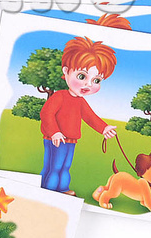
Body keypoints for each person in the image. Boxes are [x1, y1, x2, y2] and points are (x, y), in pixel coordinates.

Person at [39, 36, 118, 194]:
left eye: (96, 80)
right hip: (56, 139)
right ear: (66, 71)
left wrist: (104, 128)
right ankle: (48, 192)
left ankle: (62, 189)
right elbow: (46, 113)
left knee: (65, 166)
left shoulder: (80, 101)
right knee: (54, 166)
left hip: (71, 140)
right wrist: (54, 132)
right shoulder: (59, 96)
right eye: (82, 76)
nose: (88, 84)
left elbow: (90, 117)